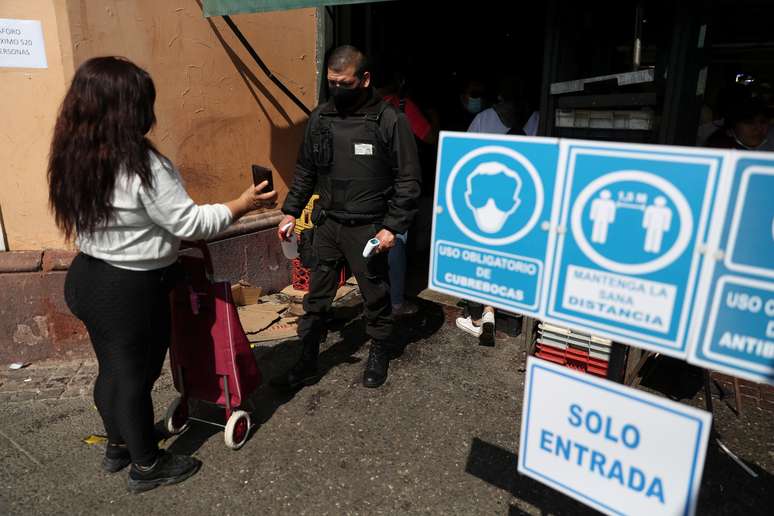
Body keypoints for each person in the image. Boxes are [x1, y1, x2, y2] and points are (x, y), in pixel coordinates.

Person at [48, 56, 276, 493]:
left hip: (88, 279)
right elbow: (191, 223)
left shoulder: (74, 153)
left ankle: (119, 446)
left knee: (113, 371)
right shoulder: (143, 165)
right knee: (135, 377)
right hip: (128, 290)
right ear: (129, 109)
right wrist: (244, 203)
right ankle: (147, 465)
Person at [277, 45, 422, 389]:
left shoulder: (389, 120)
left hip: (369, 227)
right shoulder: (321, 118)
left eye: (345, 83)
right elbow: (306, 170)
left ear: (365, 79)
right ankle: (307, 359)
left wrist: (392, 227)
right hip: (328, 223)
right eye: (332, 83)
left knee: (375, 295)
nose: (337, 89)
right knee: (316, 296)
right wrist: (290, 212)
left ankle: (379, 350)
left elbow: (409, 180)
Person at [375, 64, 438, 317]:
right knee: (396, 239)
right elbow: (430, 136)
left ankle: (376, 298)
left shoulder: (361, 106)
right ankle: (397, 303)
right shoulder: (403, 107)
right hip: (396, 183)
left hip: (368, 183)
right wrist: (434, 117)